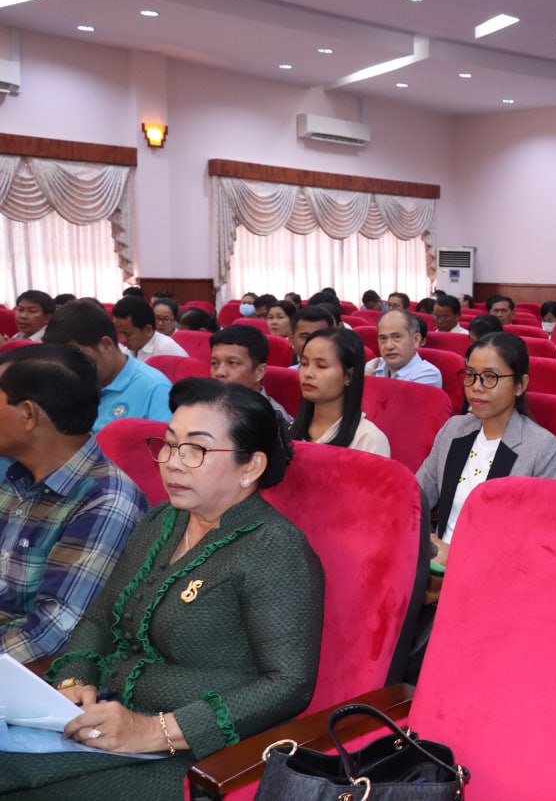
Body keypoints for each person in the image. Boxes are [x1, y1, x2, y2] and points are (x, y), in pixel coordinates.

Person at [0, 379, 324, 800]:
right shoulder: (162, 523)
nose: (172, 463)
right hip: (110, 718)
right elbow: (99, 618)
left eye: (196, 450)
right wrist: (73, 683)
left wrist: (154, 731)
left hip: (201, 751)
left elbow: (289, 684)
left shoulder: (274, 547)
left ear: (250, 466)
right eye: (169, 445)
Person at [0, 345, 147, 664]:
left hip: (28, 675)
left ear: (28, 415)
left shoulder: (106, 501)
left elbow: (52, 634)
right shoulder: (17, 478)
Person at [416, 333, 556, 560]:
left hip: (495, 568)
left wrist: (457, 556)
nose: (476, 387)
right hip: (435, 562)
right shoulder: (453, 429)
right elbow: (416, 497)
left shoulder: (541, 447)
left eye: (490, 377)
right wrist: (426, 542)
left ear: (520, 385)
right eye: (470, 375)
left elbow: (543, 539)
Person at [44, 301, 172, 433]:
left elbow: (164, 443)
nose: (71, 365)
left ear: (106, 344)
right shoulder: (70, 381)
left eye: (77, 356)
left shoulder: (155, 389)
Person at [291, 328, 390, 457]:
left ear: (348, 376)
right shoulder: (290, 429)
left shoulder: (368, 440)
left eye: (321, 366)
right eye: (304, 364)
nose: (308, 373)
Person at [209, 325, 293, 423]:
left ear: (259, 372)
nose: (219, 372)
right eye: (214, 363)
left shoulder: (272, 418)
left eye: (232, 363)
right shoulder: (205, 404)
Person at [366, 310, 442, 386]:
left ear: (415, 340)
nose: (389, 346)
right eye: (383, 338)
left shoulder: (428, 374)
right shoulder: (373, 365)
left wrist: (367, 381)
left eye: (397, 337)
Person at [112, 296, 189, 363]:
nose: (123, 339)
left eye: (128, 334)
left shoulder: (168, 349)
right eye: (120, 333)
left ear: (148, 330)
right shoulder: (127, 350)